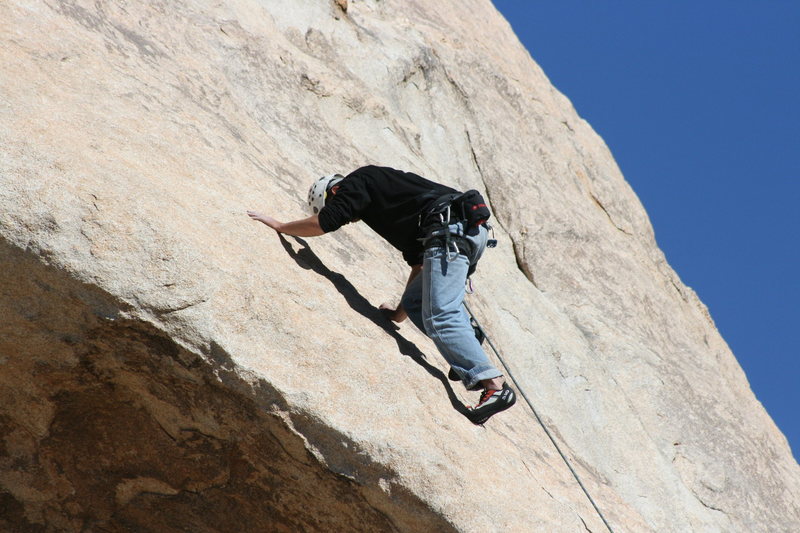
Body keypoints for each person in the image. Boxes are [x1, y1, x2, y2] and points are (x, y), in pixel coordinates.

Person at [248, 165, 516, 424]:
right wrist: (399, 314)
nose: (348, 218)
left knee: (441, 316)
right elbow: (420, 265)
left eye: (335, 204)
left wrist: (281, 226)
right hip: (465, 229)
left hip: (449, 231)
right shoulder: (385, 204)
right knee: (415, 303)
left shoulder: (357, 182)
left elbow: (324, 223)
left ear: (333, 191)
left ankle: (495, 386)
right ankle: (468, 335)